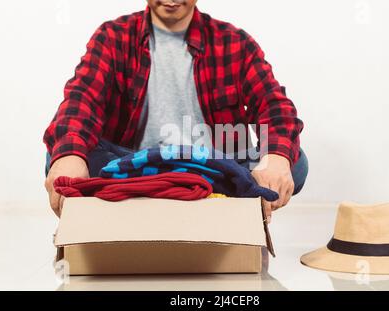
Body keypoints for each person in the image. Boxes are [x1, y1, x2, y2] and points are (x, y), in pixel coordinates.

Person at [43, 0, 308, 222]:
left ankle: (159, 191)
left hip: (214, 165)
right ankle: (197, 191)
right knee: (64, 153)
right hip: (134, 163)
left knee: (294, 163)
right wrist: (69, 158)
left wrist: (275, 160)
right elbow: (82, 99)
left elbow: (275, 106)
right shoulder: (113, 36)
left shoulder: (235, 42)